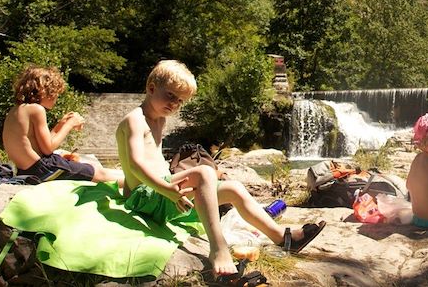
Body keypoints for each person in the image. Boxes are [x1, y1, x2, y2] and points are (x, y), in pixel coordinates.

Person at [116, 60, 325, 278]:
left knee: (233, 188)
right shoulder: (135, 121)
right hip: (143, 198)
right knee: (204, 171)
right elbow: (135, 165)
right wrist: (166, 188)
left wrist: (170, 186)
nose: (174, 104)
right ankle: (218, 247)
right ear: (151, 88)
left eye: (180, 101)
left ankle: (283, 238)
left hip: (163, 192)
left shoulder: (159, 119)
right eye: (170, 96)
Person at [2, 65, 123, 184]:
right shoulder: (36, 110)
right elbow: (48, 149)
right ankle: (138, 182)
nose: (56, 98)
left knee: (90, 167)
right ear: (44, 91)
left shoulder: (17, 110)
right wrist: (70, 124)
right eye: (55, 94)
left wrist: (61, 124)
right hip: (44, 169)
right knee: (99, 173)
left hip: (27, 170)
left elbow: (42, 145)